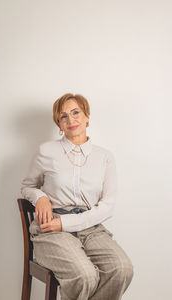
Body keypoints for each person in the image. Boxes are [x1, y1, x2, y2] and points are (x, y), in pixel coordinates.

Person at [20, 93, 134, 300]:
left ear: (87, 117)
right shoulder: (46, 151)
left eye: (76, 113)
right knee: (85, 276)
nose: (71, 120)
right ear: (59, 124)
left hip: (90, 227)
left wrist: (65, 223)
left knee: (122, 269)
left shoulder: (104, 157)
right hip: (50, 227)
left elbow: (107, 206)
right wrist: (40, 197)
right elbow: (27, 187)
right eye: (63, 116)